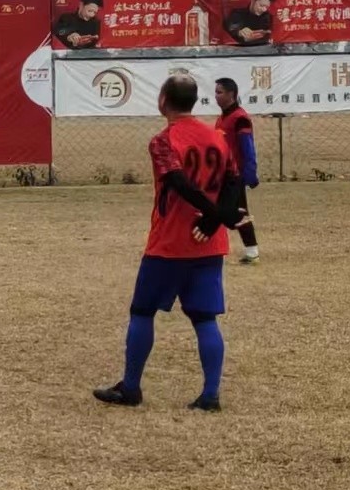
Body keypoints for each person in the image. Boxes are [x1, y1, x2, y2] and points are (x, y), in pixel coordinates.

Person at [94, 74, 243, 413]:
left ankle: (131, 387)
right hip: (209, 243)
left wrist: (211, 213)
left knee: (142, 311)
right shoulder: (217, 137)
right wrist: (216, 218)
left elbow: (177, 182)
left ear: (162, 100)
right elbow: (234, 179)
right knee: (205, 318)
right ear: (194, 101)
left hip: (170, 243)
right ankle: (210, 394)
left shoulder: (163, 141)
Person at [214, 77, 261, 264]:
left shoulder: (240, 118)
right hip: (222, 173)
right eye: (216, 92)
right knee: (225, 210)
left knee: (239, 212)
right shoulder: (222, 118)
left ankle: (252, 252)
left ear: (231, 94)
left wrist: (249, 173)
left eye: (220, 92)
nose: (216, 96)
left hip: (235, 174)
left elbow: (247, 147)